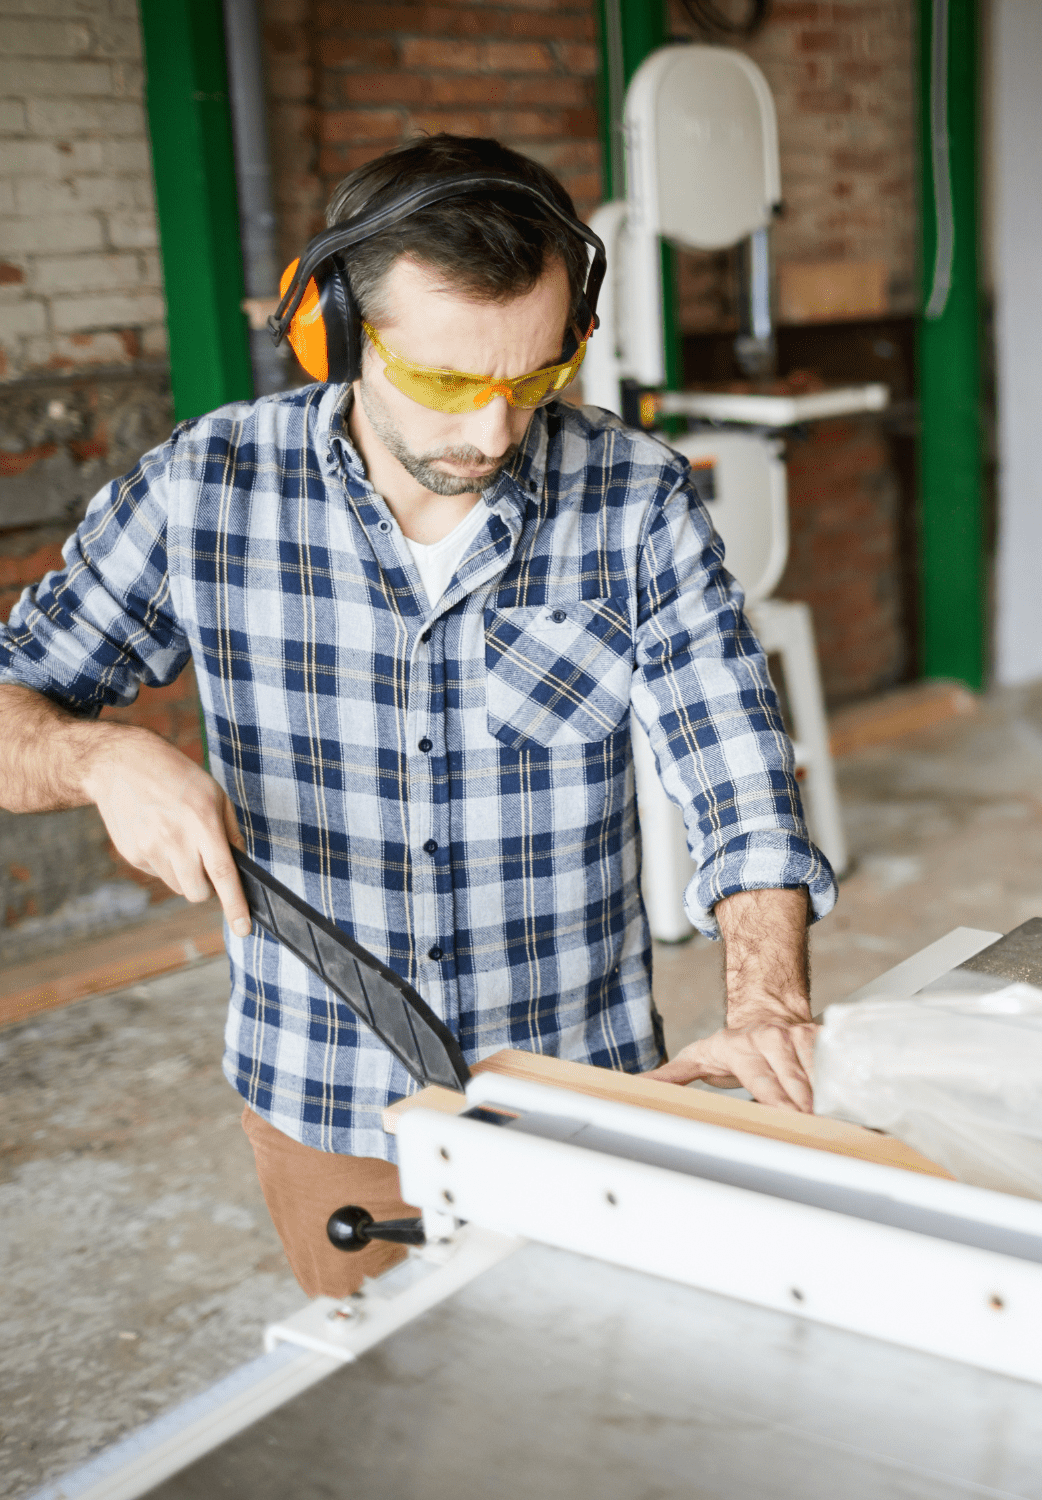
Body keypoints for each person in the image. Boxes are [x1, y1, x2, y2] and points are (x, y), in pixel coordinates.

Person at [0, 135, 836, 1297]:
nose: (494, 433)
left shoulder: (635, 497)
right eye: (444, 383)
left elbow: (737, 775)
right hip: (330, 1105)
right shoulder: (205, 491)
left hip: (585, 1095)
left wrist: (767, 1002)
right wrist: (98, 758)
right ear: (333, 334)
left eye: (535, 377)